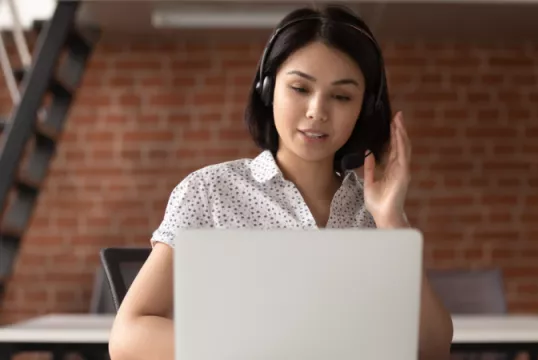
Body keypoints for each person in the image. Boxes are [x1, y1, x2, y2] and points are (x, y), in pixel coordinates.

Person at [108, 5, 453, 360]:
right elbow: (129, 334)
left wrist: (392, 220)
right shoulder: (209, 191)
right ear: (268, 88)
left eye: (342, 96)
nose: (317, 111)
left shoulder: (373, 212)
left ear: (364, 109)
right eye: (300, 88)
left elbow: (432, 348)